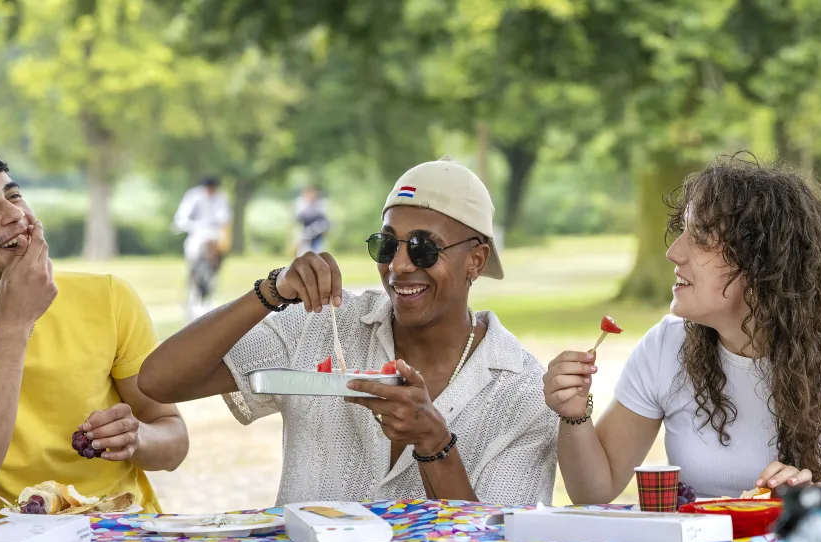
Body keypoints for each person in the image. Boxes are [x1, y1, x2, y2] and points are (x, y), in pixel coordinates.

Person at [139, 156, 557, 506]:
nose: (399, 266)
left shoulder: (523, 392)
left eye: (423, 248)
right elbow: (158, 382)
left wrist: (435, 443)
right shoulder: (324, 323)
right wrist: (271, 291)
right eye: (387, 244)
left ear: (476, 261)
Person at [545, 154, 821, 502]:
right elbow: (595, 491)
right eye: (682, 232)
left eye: (701, 237)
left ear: (762, 260)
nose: (674, 252)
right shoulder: (664, 347)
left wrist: (814, 495)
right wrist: (575, 414)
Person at [0, 145, 188, 517]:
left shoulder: (109, 296)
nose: (16, 214)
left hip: (120, 539)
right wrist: (15, 321)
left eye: (14, 195)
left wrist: (137, 437)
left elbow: (174, 441)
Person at [172, 175, 232, 320]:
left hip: (215, 236)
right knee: (193, 260)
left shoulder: (221, 198)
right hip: (197, 234)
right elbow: (181, 219)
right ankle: (192, 300)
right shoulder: (194, 196)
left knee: (216, 265)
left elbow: (225, 219)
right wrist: (198, 228)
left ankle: (210, 298)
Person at [294, 185, 330, 256]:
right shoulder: (300, 203)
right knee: (303, 253)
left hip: (317, 231)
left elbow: (324, 219)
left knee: (318, 251)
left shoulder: (320, 203)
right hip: (305, 231)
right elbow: (299, 218)